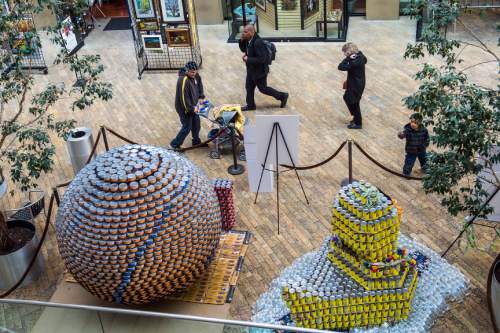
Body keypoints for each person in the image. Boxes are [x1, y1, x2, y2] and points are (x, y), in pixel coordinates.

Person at [239, 24, 288, 111]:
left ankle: (283, 96)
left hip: (259, 71)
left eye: (245, 32)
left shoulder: (258, 42)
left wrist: (248, 59)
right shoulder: (248, 39)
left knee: (263, 89)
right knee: (249, 87)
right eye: (243, 31)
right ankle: (250, 105)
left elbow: (262, 59)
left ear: (251, 32)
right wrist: (241, 40)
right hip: (251, 70)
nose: (243, 33)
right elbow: (244, 49)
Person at [170, 61, 206, 150]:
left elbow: (200, 84)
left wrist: (201, 96)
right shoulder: (182, 80)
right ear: (187, 71)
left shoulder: (195, 75)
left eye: (195, 71)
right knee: (187, 127)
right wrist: (190, 109)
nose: (194, 73)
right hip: (184, 108)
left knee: (196, 123)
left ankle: (196, 141)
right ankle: (174, 144)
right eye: (191, 72)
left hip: (194, 105)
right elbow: (183, 98)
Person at [338, 42, 367, 129]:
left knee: (354, 103)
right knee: (348, 98)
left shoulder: (355, 61)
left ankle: (358, 123)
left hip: (356, 85)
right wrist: (350, 57)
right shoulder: (360, 55)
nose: (344, 54)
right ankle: (356, 117)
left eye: (345, 53)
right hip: (355, 83)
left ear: (349, 52)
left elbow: (340, 67)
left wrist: (347, 59)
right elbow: (364, 58)